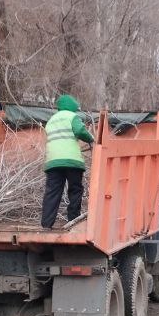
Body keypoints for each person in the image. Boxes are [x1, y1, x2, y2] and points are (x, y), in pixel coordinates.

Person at [41, 95, 95, 229]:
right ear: (72, 106)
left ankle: (46, 224)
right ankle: (73, 221)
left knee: (52, 192)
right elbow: (80, 130)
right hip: (72, 161)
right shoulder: (71, 117)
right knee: (75, 190)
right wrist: (91, 138)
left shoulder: (51, 120)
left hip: (53, 162)